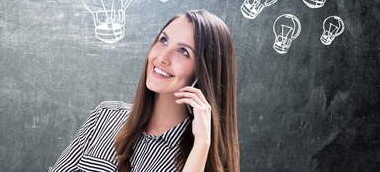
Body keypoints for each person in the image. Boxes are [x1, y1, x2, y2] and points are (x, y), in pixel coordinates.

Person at [49, 9, 239, 172]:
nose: (162, 57)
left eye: (183, 52)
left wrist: (202, 143)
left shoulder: (200, 155)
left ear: (204, 74)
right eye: (163, 40)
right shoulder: (104, 116)